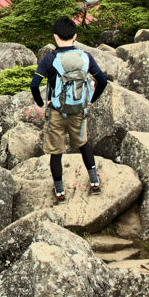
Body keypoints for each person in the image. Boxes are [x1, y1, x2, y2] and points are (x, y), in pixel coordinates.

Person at [30, 16, 108, 201]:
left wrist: (41, 103)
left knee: (56, 151)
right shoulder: (85, 57)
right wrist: (90, 100)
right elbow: (103, 81)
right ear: (75, 36)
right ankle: (94, 181)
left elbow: (34, 85)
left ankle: (59, 191)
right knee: (83, 143)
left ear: (55, 37)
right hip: (78, 108)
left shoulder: (49, 58)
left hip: (56, 110)